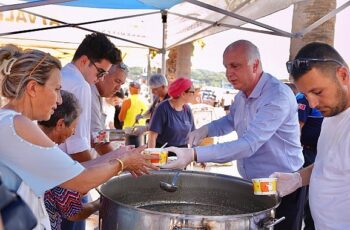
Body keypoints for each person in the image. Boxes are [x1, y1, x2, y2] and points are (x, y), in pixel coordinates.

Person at [0, 45, 157, 229]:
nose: (59, 100)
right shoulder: (19, 124)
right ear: (33, 88)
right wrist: (123, 162)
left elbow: (72, 171)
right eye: (57, 89)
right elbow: (80, 181)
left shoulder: (11, 122)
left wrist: (119, 156)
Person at [163, 40, 305, 230]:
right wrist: (205, 129)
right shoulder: (241, 96)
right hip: (252, 185)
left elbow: (248, 144)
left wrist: (195, 154)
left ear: (255, 65)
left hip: (283, 187)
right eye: (226, 67)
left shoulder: (276, 96)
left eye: (235, 66)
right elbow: (230, 121)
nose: (229, 73)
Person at [271, 42, 350, 229]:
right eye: (306, 95)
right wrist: (297, 178)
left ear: (343, 75)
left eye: (317, 92)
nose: (313, 104)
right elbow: (328, 163)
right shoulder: (332, 113)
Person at [60, 32, 119, 163]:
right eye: (100, 72)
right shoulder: (81, 85)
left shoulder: (64, 74)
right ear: (84, 61)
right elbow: (78, 145)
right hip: (67, 166)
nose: (101, 79)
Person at [147, 77, 195, 150]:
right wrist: (151, 156)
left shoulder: (187, 109)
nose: (194, 95)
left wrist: (198, 155)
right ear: (183, 94)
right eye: (192, 92)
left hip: (183, 154)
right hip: (164, 154)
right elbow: (152, 136)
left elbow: (193, 133)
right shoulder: (162, 108)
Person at [91, 62, 127, 155]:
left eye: (121, 84)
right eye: (117, 81)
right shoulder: (89, 92)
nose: (118, 88)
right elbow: (96, 137)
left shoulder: (97, 95)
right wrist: (122, 135)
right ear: (104, 75)